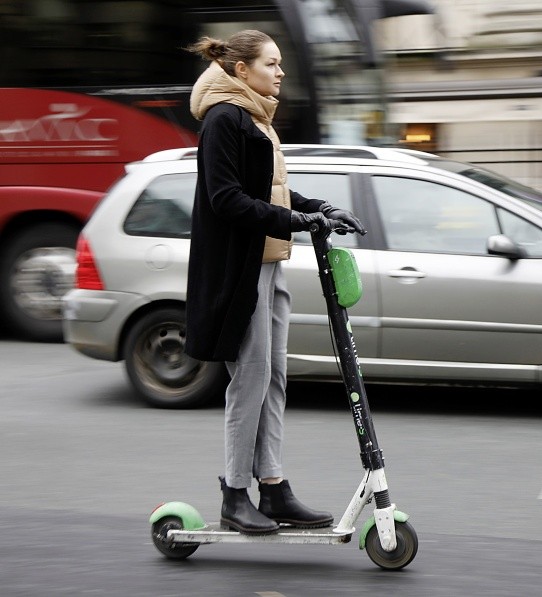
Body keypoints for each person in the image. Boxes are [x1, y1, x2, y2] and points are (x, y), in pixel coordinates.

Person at [184, 30, 366, 535]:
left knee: (274, 377)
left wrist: (320, 208)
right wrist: (296, 222)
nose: (281, 72)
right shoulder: (224, 119)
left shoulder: (254, 117)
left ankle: (274, 487)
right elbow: (226, 199)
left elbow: (272, 191)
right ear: (242, 70)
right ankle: (235, 493)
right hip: (238, 272)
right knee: (250, 380)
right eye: (271, 63)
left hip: (269, 264)